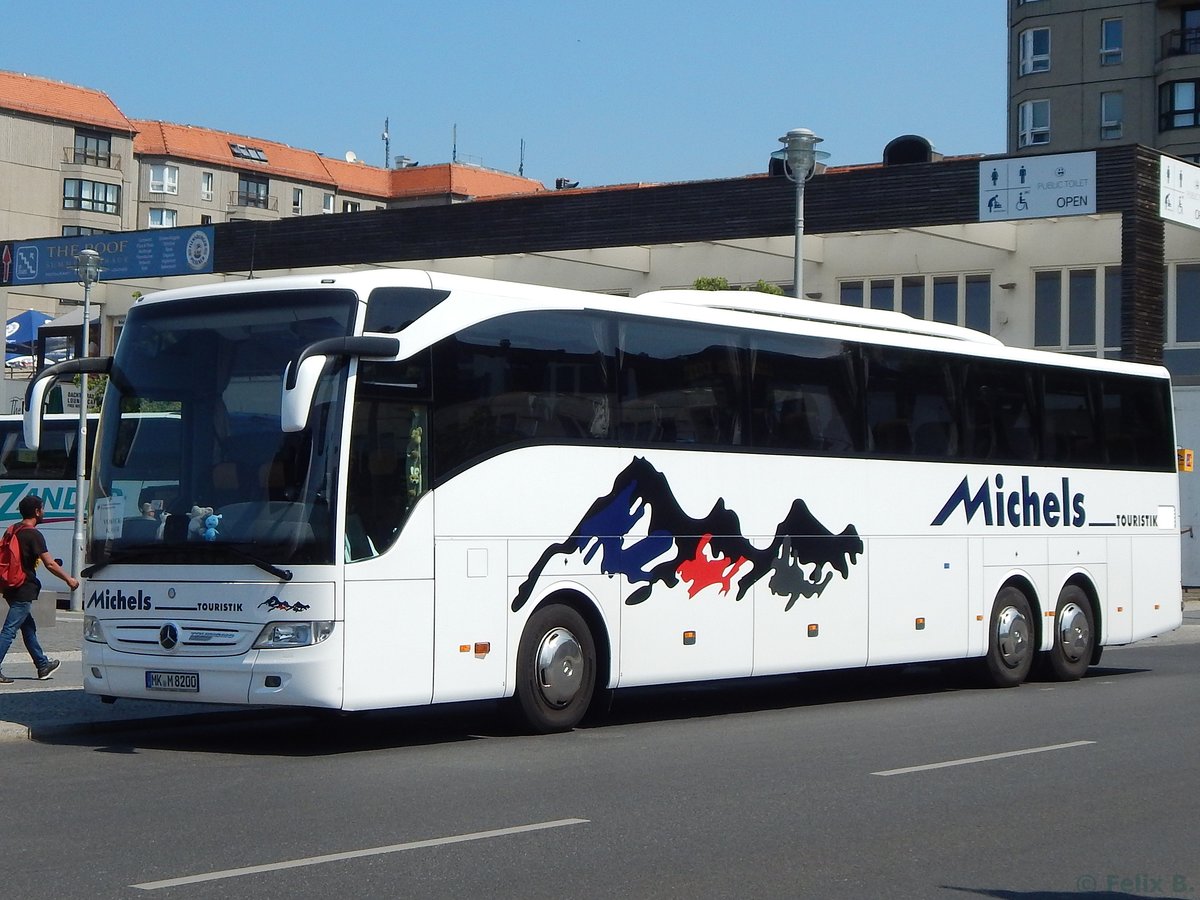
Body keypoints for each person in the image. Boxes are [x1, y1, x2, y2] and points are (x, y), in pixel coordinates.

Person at [0, 494, 80, 683]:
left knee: (28, 628)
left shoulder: (12, 529)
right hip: (23, 587)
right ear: (37, 511)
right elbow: (50, 564)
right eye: (42, 508)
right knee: (9, 630)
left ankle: (42, 665)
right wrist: (69, 580)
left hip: (10, 585)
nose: (43, 512)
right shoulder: (33, 534)